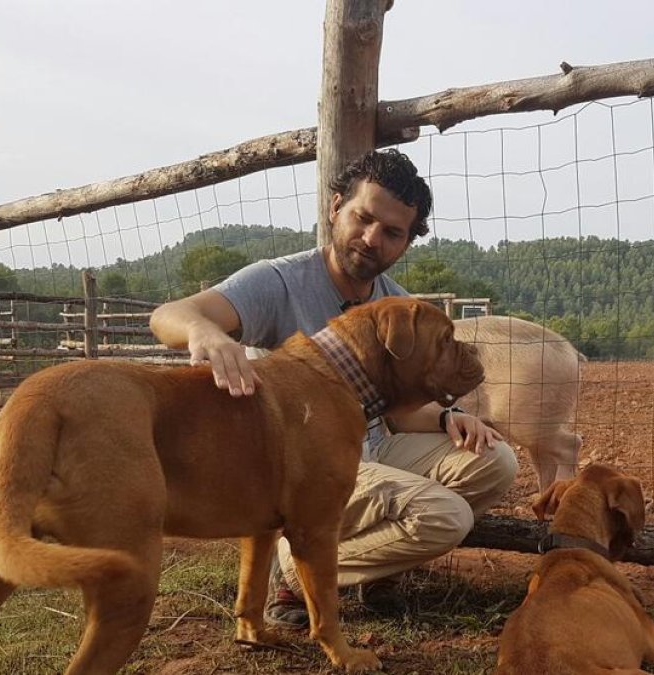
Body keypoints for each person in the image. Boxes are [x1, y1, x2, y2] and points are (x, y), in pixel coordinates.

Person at [149, 149, 518, 624]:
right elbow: (168, 316)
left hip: (369, 448)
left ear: (406, 243)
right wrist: (206, 332)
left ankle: (370, 571)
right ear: (335, 207)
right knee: (445, 515)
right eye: (363, 218)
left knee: (495, 463)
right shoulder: (280, 281)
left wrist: (449, 417)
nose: (371, 239)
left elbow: (397, 412)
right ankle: (294, 570)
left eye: (392, 233)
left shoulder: (398, 305)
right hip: (303, 464)